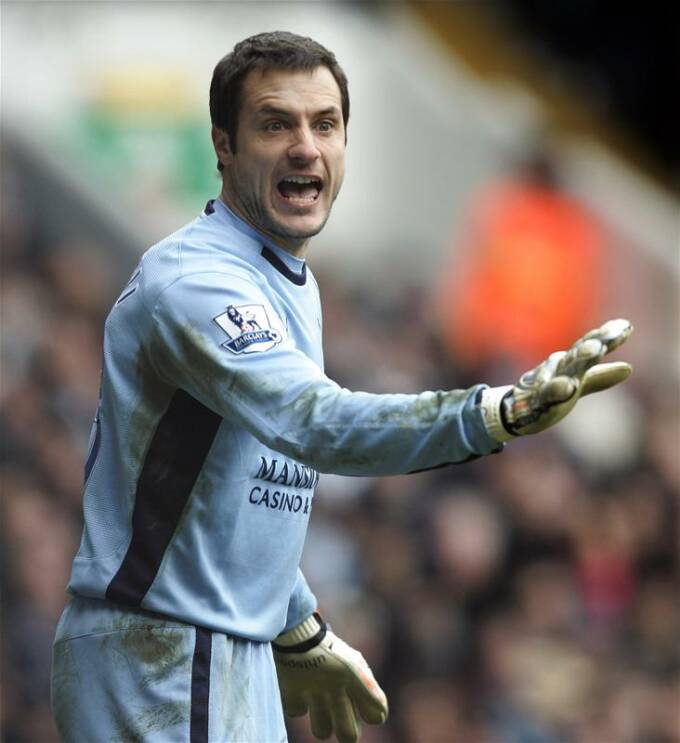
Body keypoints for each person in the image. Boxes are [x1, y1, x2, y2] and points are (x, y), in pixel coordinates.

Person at [51, 31, 633, 743]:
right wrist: (496, 412)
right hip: (169, 651)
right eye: (275, 123)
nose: (306, 146)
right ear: (224, 146)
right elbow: (318, 424)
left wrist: (294, 624)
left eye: (324, 124)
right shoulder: (197, 284)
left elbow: (228, 491)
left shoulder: (286, 281)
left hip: (218, 645)